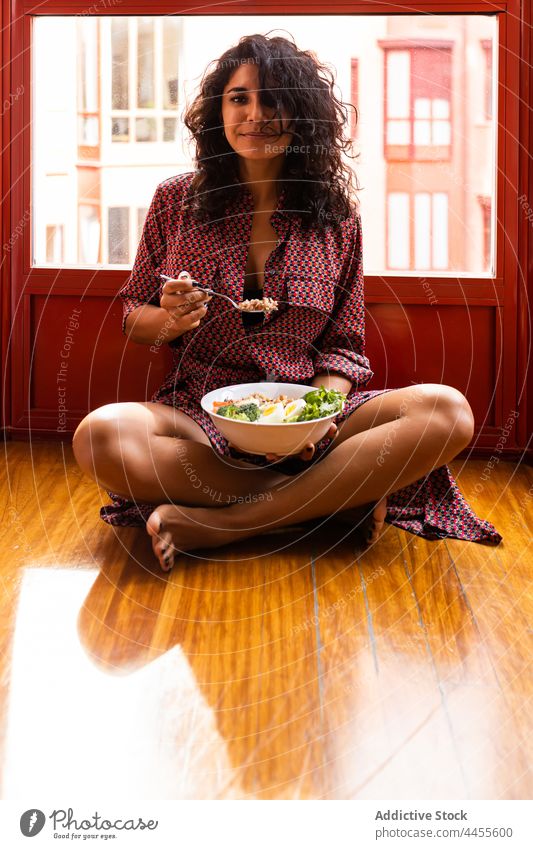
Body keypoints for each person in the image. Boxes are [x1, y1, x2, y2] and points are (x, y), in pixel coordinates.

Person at [72, 33, 502, 572]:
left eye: (274, 99)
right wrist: (170, 318)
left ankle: (228, 524)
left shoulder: (338, 218)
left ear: (304, 116)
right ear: (217, 110)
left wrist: (313, 417)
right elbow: (134, 318)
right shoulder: (174, 201)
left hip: (305, 411)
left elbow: (343, 349)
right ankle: (325, 504)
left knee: (447, 412)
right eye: (239, 98)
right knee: (100, 437)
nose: (256, 114)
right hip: (202, 412)